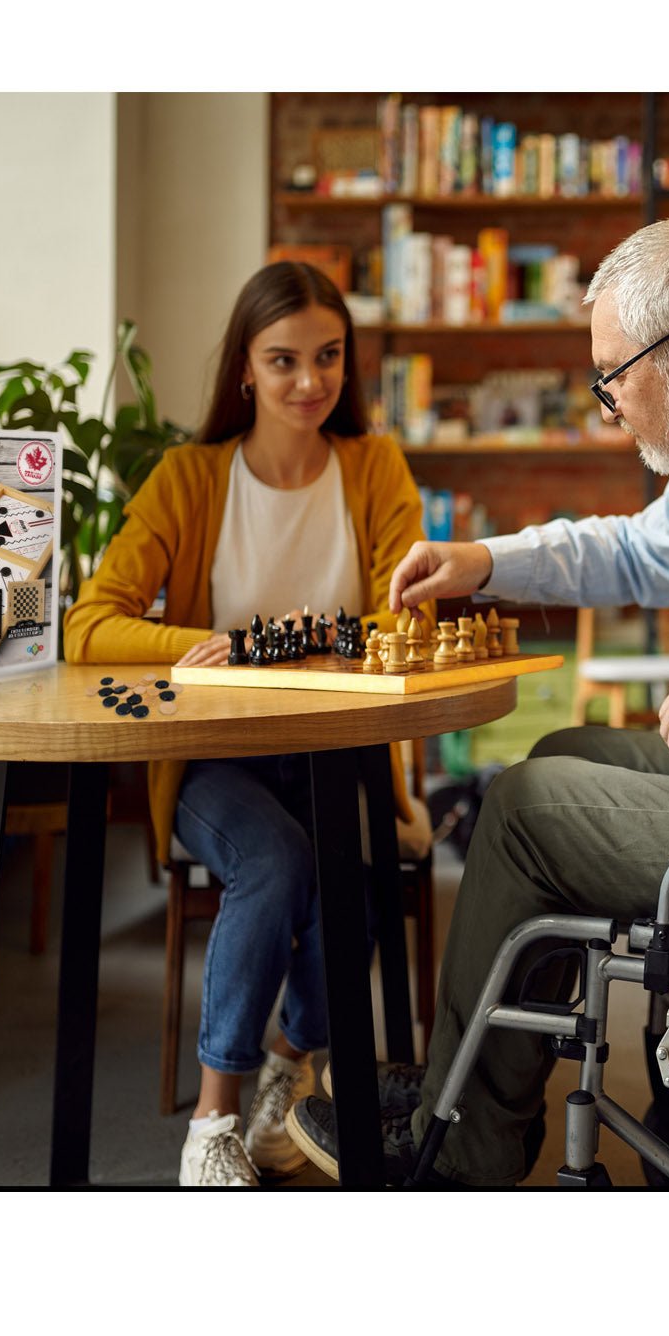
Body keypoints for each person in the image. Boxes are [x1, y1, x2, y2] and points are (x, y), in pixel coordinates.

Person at [285, 215, 669, 1187]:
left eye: (612, 374)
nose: (609, 402)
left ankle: (466, 1146)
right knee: (556, 756)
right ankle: (468, 1077)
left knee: (521, 811)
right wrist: (484, 562)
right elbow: (640, 549)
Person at [63, 261, 430, 1187]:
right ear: (244, 370)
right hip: (213, 761)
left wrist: (295, 646)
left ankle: (289, 1070)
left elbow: (410, 619)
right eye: (283, 361)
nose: (310, 382)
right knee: (274, 860)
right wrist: (211, 643)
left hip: (335, 754)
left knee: (351, 862)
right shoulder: (189, 478)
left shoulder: (374, 467)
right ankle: (213, 1122)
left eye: (329, 358)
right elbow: (88, 621)